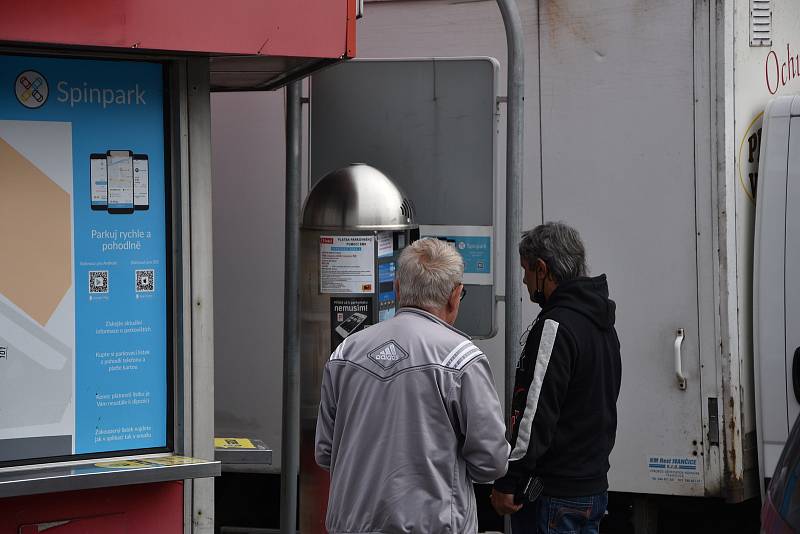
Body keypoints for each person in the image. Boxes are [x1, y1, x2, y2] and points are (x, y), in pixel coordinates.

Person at [315, 237, 509, 534]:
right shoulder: (461, 359)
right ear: (455, 296)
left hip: (350, 525)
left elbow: (326, 453)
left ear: (397, 288)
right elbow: (491, 463)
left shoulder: (345, 352)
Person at [490, 222, 622, 534]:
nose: (523, 280)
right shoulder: (601, 322)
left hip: (554, 494)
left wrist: (510, 480)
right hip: (592, 487)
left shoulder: (555, 326)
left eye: (526, 270)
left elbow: (534, 414)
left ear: (542, 269)